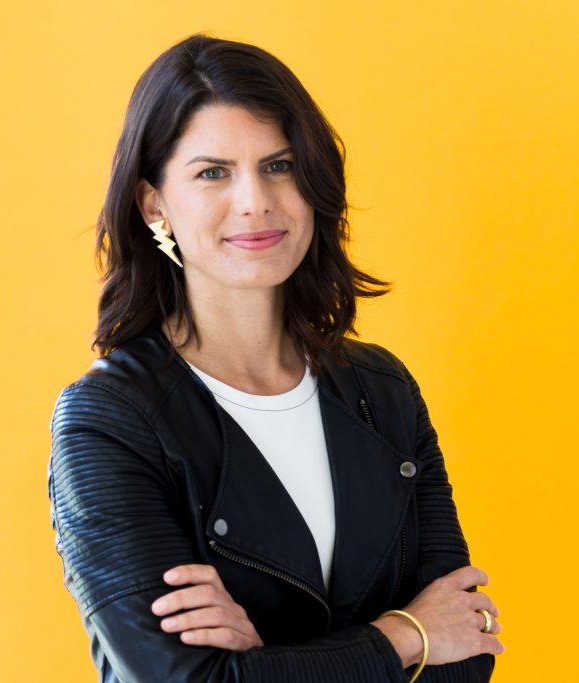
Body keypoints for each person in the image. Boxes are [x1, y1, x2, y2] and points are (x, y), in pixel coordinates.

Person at [47, 33, 504, 682]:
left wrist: (263, 661)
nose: (255, 201)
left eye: (279, 165)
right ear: (155, 206)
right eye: (213, 172)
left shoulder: (383, 389)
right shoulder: (107, 422)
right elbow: (188, 680)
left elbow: (465, 655)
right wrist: (403, 635)